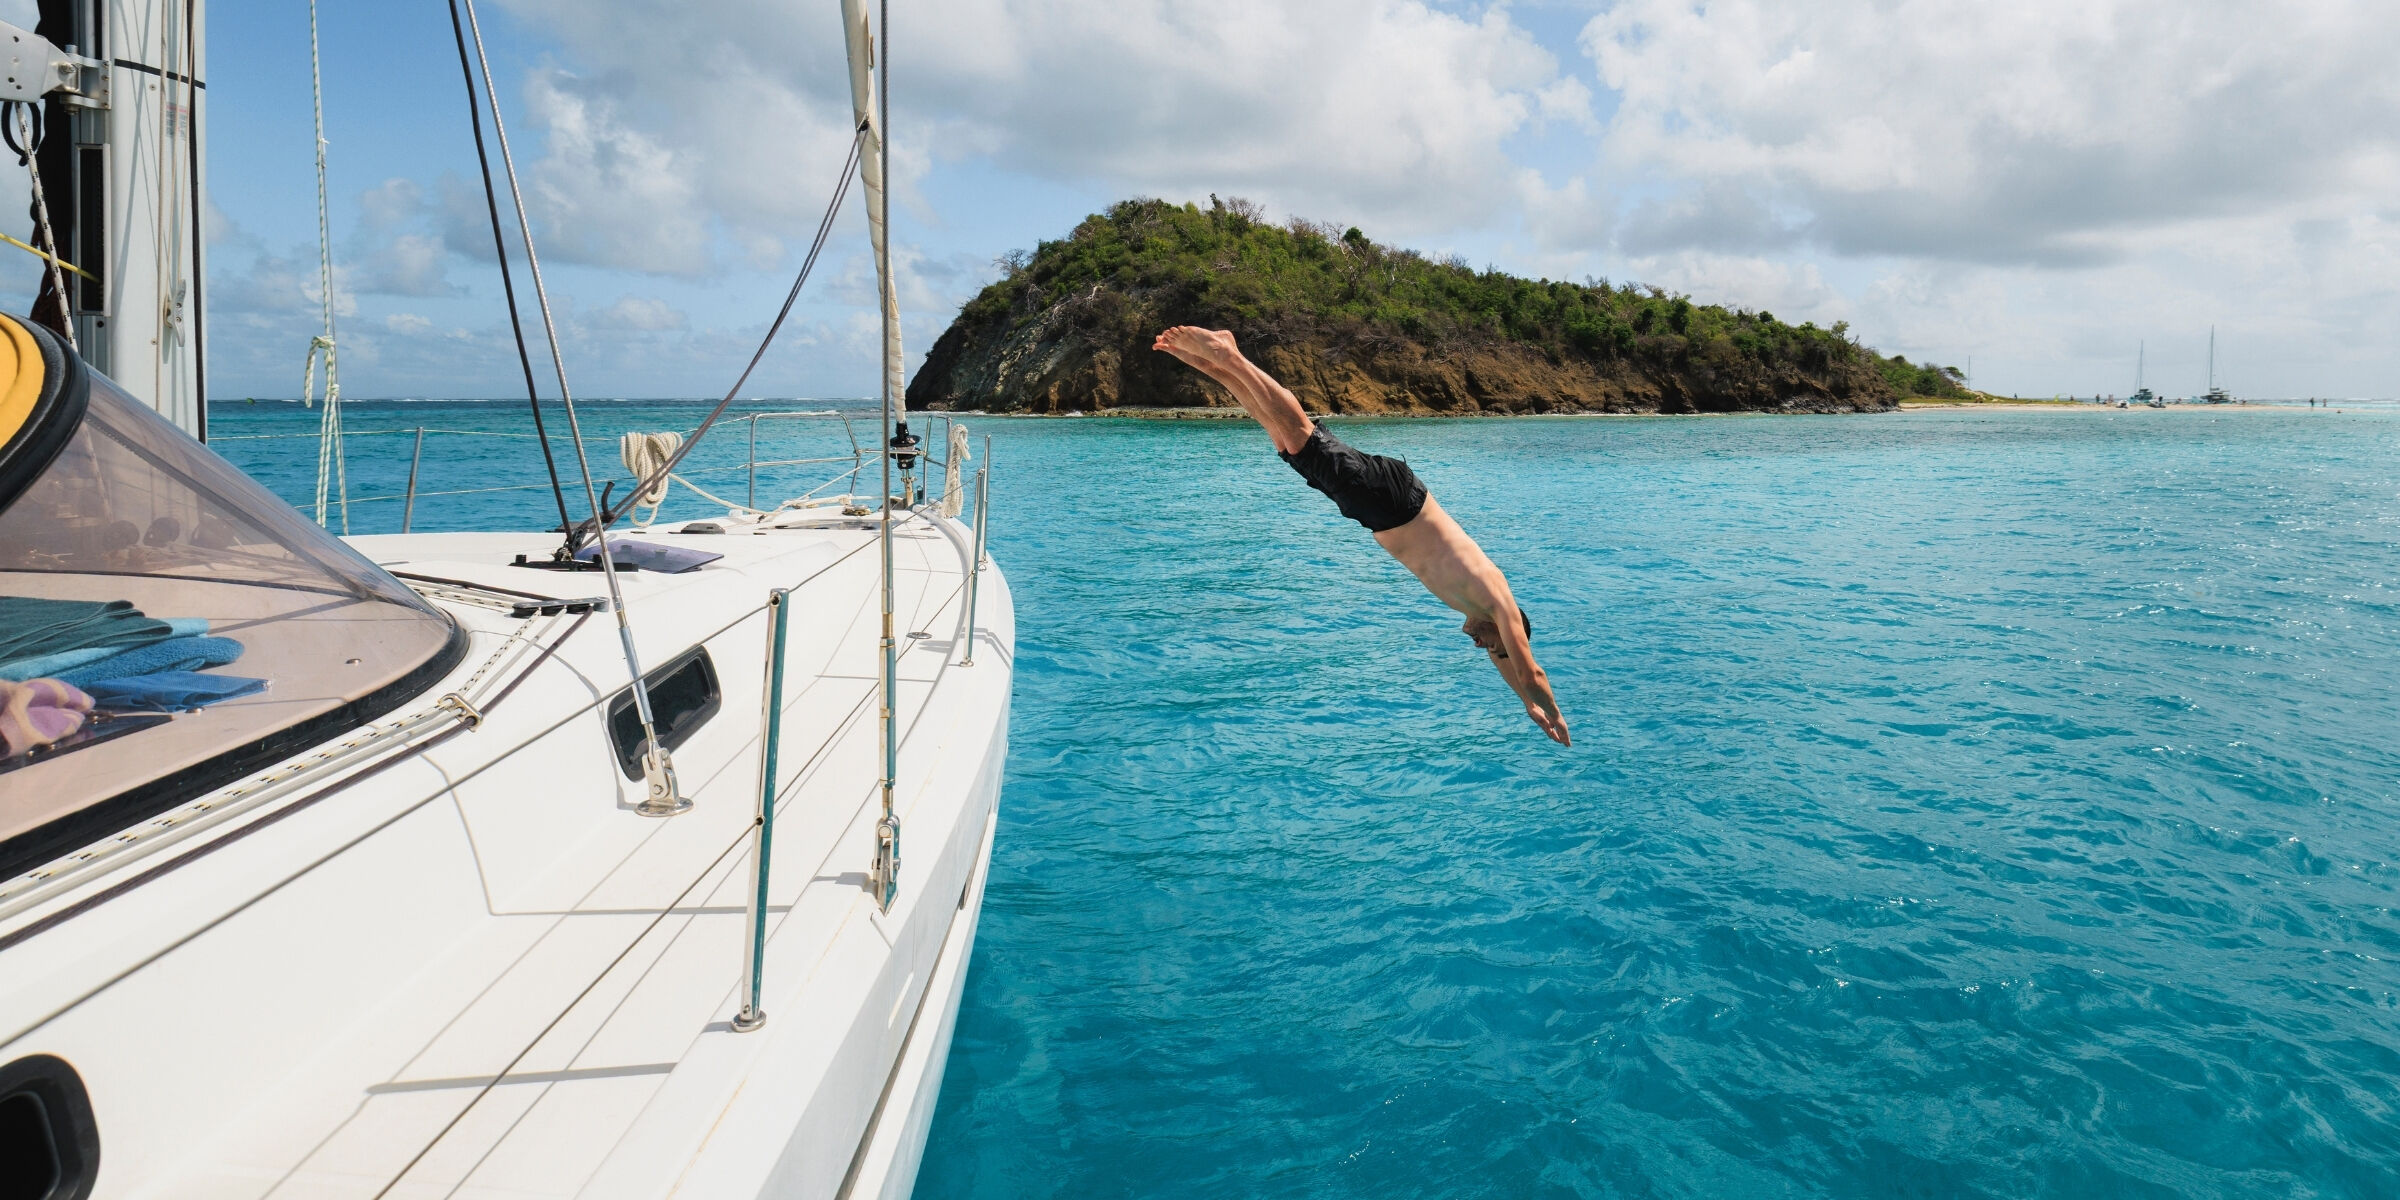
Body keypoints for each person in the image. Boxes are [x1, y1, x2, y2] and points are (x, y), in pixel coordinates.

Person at [1153, 326, 1570, 746]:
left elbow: (1512, 668)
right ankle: (1231, 356)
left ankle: (1217, 364)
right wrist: (1548, 710)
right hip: (1394, 503)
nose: (1482, 646)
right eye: (1494, 647)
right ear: (1510, 632)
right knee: (1303, 438)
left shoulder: (1483, 610)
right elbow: (1529, 670)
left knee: (1283, 441)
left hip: (1379, 512)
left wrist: (1524, 702)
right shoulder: (1499, 603)